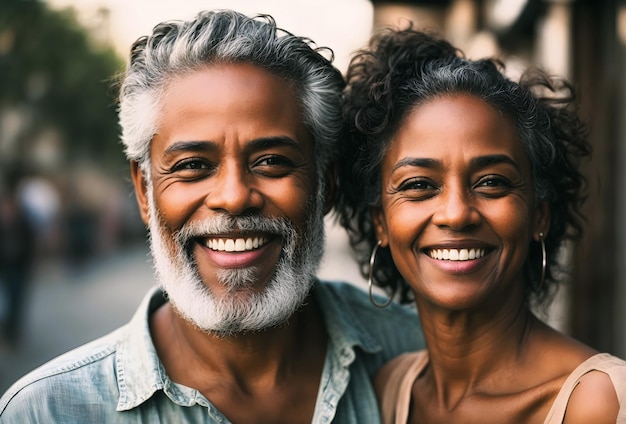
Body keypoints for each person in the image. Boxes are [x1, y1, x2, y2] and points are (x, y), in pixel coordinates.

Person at [0, 10, 424, 423]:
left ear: (325, 184)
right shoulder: (48, 412)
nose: (234, 197)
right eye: (192, 166)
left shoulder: (423, 359)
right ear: (144, 190)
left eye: (273, 161)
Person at [336, 26, 626, 423]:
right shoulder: (384, 393)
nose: (456, 213)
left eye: (492, 182)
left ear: (539, 214)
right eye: (419, 185)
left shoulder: (602, 402)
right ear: (380, 223)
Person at [0, 169, 36, 346]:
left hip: (19, 268)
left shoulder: (23, 219)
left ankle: (13, 331)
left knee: (16, 301)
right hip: (5, 267)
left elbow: (30, 242)